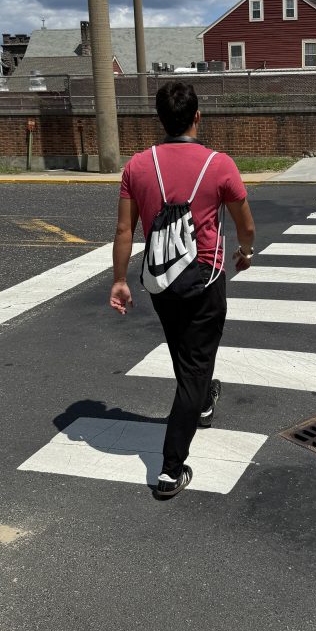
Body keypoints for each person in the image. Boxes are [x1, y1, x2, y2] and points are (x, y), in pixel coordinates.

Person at [109, 81, 256, 500]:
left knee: (185, 353)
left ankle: (203, 400)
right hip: (204, 277)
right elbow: (244, 224)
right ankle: (171, 468)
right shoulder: (219, 164)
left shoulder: (137, 166)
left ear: (160, 119)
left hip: (160, 280)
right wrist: (245, 252)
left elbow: (124, 229)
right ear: (197, 116)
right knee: (194, 365)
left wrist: (120, 280)